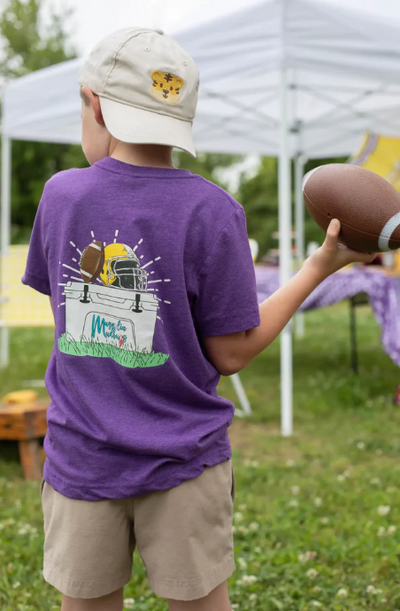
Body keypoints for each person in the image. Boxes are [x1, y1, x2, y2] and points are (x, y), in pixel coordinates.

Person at [22, 28, 375, 611]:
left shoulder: (61, 196)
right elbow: (231, 354)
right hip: (184, 460)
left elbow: (67, 312)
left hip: (81, 456)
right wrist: (320, 265)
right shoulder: (214, 209)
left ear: (95, 103)